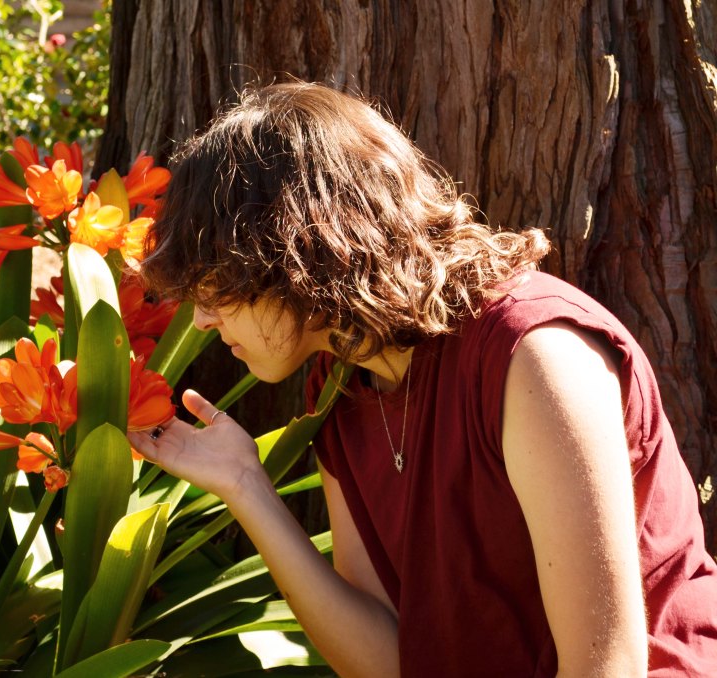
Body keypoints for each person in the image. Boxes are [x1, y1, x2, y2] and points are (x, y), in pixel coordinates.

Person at [127, 82, 717, 677]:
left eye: (215, 283)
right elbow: (389, 659)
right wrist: (245, 486)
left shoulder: (534, 355)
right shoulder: (341, 385)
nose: (200, 317)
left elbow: (607, 667)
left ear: (295, 250)